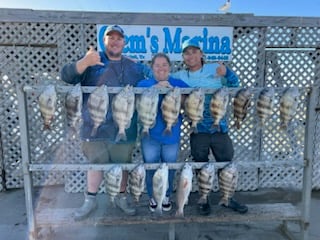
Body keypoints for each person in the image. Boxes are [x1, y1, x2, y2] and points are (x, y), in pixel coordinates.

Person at [61, 25, 151, 221]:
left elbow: (154, 80)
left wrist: (150, 73)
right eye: (111, 37)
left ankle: (121, 198)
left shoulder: (134, 66)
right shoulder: (93, 61)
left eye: (119, 38)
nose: (115, 41)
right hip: (94, 128)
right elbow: (66, 76)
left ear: (124, 43)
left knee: (123, 165)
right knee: (95, 165)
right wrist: (84, 62)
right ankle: (90, 200)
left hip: (124, 126)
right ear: (104, 41)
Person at [172, 38, 248, 215]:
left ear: (201, 54)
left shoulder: (215, 68)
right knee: (201, 165)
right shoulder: (180, 76)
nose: (190, 56)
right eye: (186, 53)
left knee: (226, 164)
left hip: (219, 128)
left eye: (193, 52)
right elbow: (161, 77)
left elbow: (235, 86)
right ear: (183, 57)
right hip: (198, 130)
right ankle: (203, 198)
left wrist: (227, 73)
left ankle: (228, 197)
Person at [137, 53, 189, 212]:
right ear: (152, 68)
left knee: (170, 168)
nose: (161, 68)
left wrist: (173, 91)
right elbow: (135, 101)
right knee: (150, 166)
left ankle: (165, 195)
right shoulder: (144, 83)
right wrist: (153, 89)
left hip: (171, 135)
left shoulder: (178, 83)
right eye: (157, 65)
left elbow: (189, 102)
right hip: (149, 135)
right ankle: (153, 196)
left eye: (164, 65)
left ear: (169, 67)